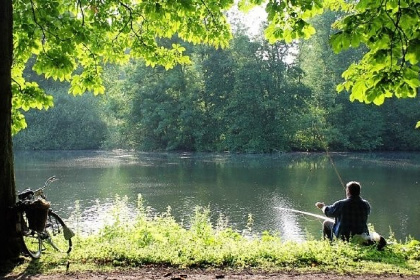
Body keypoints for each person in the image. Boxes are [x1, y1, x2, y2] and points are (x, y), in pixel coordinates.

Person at [315, 181, 386, 250]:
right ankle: (366, 241)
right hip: (361, 233)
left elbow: (328, 212)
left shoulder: (341, 204)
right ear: (359, 192)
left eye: (346, 190)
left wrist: (322, 207)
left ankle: (328, 246)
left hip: (344, 236)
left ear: (348, 191)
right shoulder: (366, 204)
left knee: (326, 223)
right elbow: (367, 213)